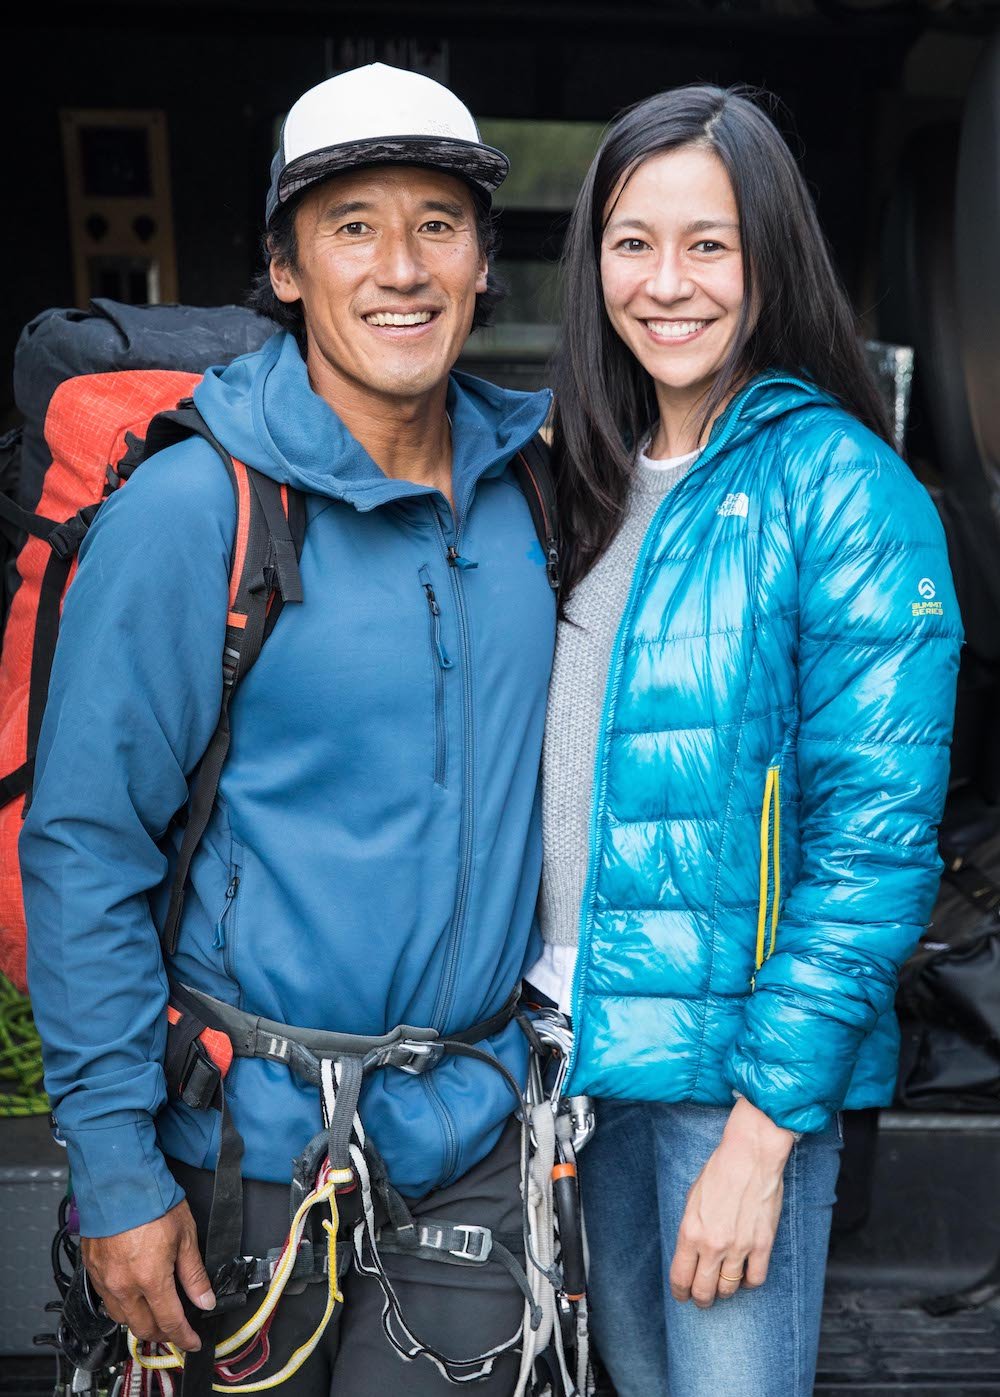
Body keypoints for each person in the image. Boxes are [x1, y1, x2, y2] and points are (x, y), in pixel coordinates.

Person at [21, 63, 559, 1395]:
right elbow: (86, 842)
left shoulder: (538, 494)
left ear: (486, 263)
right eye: (353, 224)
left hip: (469, 1142)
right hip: (236, 1157)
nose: (403, 266)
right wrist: (114, 1169)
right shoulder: (196, 510)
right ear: (284, 267)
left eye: (440, 222)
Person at [527, 85, 963, 1397]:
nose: (668, 283)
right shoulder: (571, 476)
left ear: (770, 258)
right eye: (633, 241)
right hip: (578, 1048)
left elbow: (876, 851)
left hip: (731, 1082)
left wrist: (765, 1136)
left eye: (709, 243)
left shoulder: (843, 486)